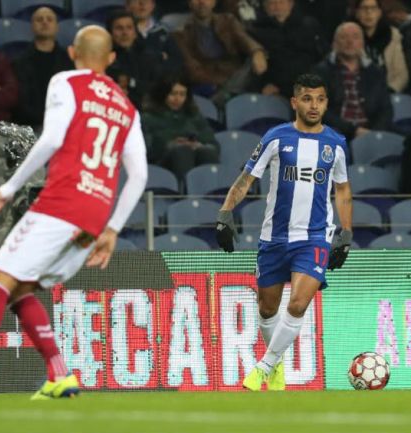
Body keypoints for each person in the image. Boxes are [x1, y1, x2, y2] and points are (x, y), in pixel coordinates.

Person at [0, 25, 148, 400]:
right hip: (94, 215)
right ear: (112, 59)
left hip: (60, 205)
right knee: (20, 290)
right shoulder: (125, 106)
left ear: (72, 53)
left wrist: (9, 187)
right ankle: (59, 374)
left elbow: (51, 139)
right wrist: (113, 229)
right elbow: (140, 175)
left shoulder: (67, 81)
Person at [214, 73, 353, 392]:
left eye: (320, 99)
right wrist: (224, 213)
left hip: (315, 236)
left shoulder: (335, 144)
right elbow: (246, 178)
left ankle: (262, 368)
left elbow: (343, 190)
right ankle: (275, 366)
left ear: (327, 102)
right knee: (267, 308)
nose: (314, 105)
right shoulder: (276, 137)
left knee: (298, 305)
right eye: (307, 98)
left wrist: (345, 233)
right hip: (274, 238)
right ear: (294, 102)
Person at [172, 0, 268, 104]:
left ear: (214, 2)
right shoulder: (180, 33)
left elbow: (246, 41)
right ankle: (227, 94)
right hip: (209, 80)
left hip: (236, 75)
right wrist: (224, 83)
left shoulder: (228, 20)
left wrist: (257, 52)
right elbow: (193, 70)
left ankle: (226, 95)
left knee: (255, 60)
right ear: (190, 3)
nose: (202, 2)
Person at [313, 22, 393, 140]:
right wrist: (353, 130)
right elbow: (319, 109)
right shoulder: (321, 72)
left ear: (362, 43)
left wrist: (373, 132)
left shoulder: (375, 72)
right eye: (344, 37)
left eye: (355, 37)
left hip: (370, 131)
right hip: (336, 132)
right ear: (335, 44)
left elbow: (386, 109)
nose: (350, 41)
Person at [142, 75, 219, 180]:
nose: (177, 98)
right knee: (182, 151)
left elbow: (213, 143)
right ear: (162, 94)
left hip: (195, 156)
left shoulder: (194, 116)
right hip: (162, 163)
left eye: (182, 94)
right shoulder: (148, 118)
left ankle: (210, 193)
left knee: (207, 152)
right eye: (173, 94)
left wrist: (197, 144)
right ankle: (184, 193)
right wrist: (171, 144)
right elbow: (148, 150)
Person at [249, 0, 327, 97]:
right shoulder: (256, 31)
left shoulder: (309, 26)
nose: (277, 6)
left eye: (281, 2)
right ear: (265, 6)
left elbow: (321, 56)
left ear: (291, 4)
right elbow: (254, 66)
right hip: (273, 90)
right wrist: (264, 85)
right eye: (272, 3)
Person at [12, 7, 73, 129]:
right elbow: (20, 101)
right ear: (32, 27)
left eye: (49, 19)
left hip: (63, 124)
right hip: (30, 125)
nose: (44, 22)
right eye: (39, 19)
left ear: (57, 27)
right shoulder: (19, 62)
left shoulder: (69, 62)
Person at [105, 9, 163, 108]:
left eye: (129, 28)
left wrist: (131, 82)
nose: (125, 33)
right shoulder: (104, 59)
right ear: (110, 33)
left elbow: (157, 89)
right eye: (119, 28)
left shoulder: (148, 58)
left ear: (135, 33)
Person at [351, 0, 409, 93]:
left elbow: (401, 75)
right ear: (357, 13)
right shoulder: (347, 35)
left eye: (373, 8)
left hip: (388, 93)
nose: (369, 12)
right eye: (364, 8)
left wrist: (388, 91)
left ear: (379, 13)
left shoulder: (392, 35)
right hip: (356, 94)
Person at [125, 0, 184, 73]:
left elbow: (176, 62)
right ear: (127, 6)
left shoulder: (164, 31)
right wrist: (160, 56)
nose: (142, 3)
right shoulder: (122, 33)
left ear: (153, 5)